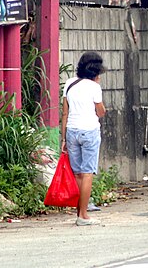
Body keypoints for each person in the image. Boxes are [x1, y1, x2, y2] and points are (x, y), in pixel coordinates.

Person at [61, 51, 107, 226]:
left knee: (78, 174)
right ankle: (84, 215)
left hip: (72, 131)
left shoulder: (69, 83)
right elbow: (100, 112)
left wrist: (63, 139)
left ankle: (79, 214)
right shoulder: (94, 87)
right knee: (87, 173)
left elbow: (65, 112)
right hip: (89, 131)